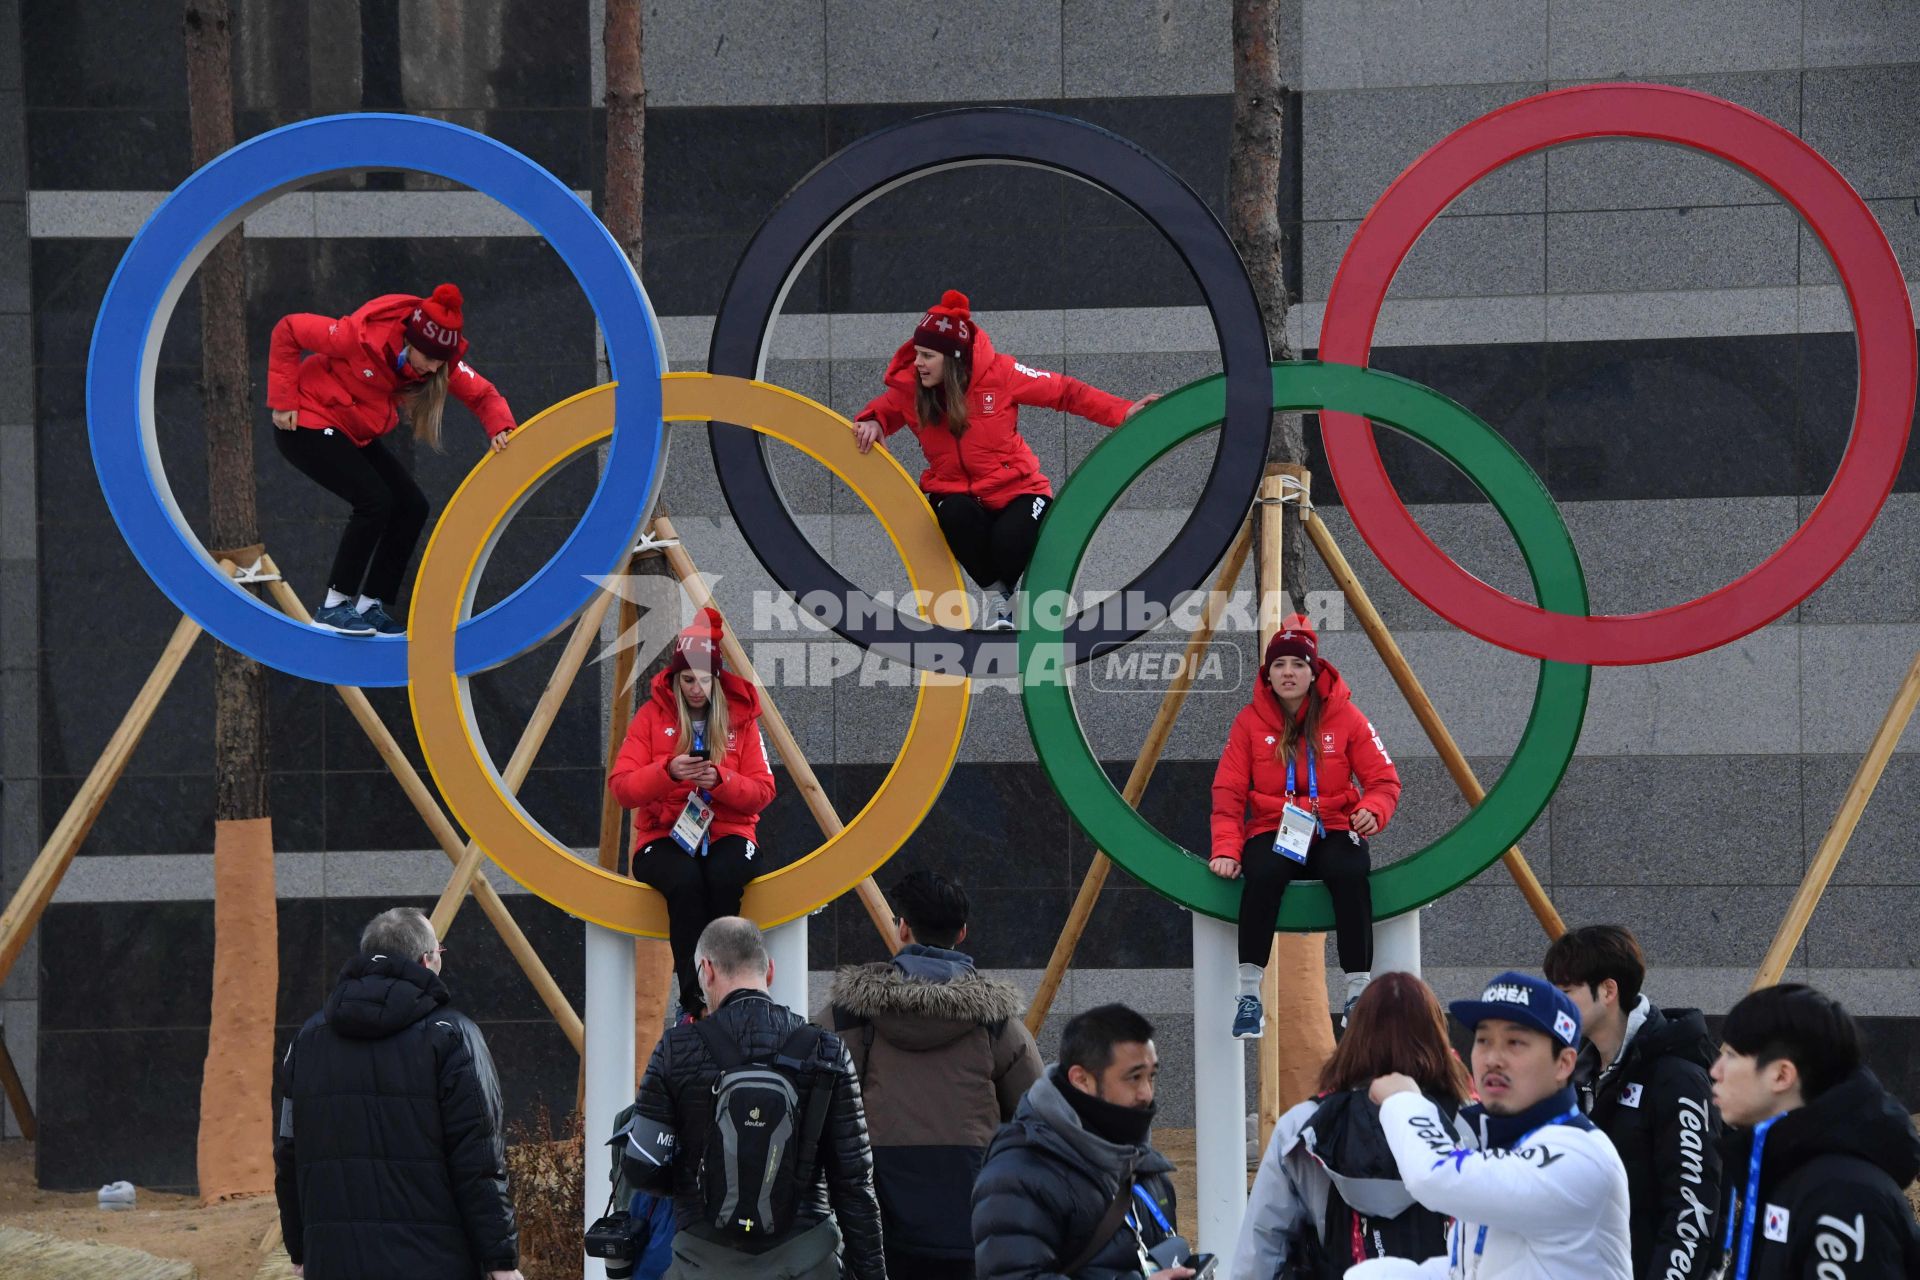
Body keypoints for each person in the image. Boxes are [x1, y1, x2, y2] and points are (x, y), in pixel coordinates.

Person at [850, 289, 1157, 630]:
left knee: (1009, 545)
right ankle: (1001, 601)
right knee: (954, 515)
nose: (917, 363)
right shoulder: (913, 387)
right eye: (917, 354)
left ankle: (1010, 598)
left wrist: (1122, 412)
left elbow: (1065, 391)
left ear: (952, 359)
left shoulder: (1001, 374)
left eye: (927, 355)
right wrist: (873, 420)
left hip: (1019, 489)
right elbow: (886, 408)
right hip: (955, 493)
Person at [620, 917, 885, 1280]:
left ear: (707, 971)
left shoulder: (676, 1049)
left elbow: (642, 1166)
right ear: (770, 970)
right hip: (806, 1256)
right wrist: (872, 1273)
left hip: (703, 1258)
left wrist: (696, 1180)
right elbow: (854, 1182)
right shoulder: (826, 1050)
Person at [272, 907, 521, 1280]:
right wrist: (501, 1261)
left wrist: (300, 1249)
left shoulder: (307, 1040)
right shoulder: (452, 1036)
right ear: (427, 960)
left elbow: (289, 1154)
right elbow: (479, 1159)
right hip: (435, 1262)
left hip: (333, 1261)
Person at [821, 869, 1044, 1280]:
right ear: (962, 933)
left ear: (902, 927)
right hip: (973, 1215)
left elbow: (814, 1102)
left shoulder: (850, 1016)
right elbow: (1038, 1117)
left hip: (875, 1220)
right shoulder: (996, 1023)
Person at [267, 283, 516, 635]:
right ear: (409, 342)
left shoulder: (439, 363)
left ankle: (371, 605)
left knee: (412, 505)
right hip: (305, 422)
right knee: (375, 501)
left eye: (439, 362)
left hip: (351, 431)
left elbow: (483, 394)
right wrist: (283, 400)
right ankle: (333, 606)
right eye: (427, 359)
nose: (432, 369)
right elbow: (289, 329)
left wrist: (500, 426)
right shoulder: (357, 337)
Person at [1353, 970, 1633, 1278]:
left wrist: (1404, 1100)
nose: (1492, 1058)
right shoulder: (1503, 1144)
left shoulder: (1580, 1155)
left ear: (1564, 1063)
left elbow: (1436, 1175)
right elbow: (1477, 1268)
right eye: (1483, 1040)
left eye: (1515, 1042)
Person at [1208, 614, 1401, 1039]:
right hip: (1273, 828)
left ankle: (1356, 993)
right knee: (1263, 875)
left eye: (1298, 664)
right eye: (1279, 665)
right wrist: (1225, 846)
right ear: (1268, 674)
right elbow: (1228, 792)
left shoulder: (1346, 716)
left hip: (1332, 825)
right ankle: (1248, 996)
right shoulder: (1249, 721)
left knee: (1350, 873)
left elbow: (1384, 781)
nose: (1288, 673)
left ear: (1314, 672)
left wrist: (1373, 808)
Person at [1232, 972, 1473, 1278]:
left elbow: (1261, 1247)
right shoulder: (1469, 1124)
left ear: (1356, 1037)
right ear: (1436, 1036)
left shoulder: (1304, 1126)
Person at [609, 607, 776, 1018]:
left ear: (717, 679)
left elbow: (763, 792)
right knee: (684, 882)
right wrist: (667, 772)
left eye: (704, 678)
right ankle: (694, 1000)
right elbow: (622, 788)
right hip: (662, 837)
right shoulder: (651, 717)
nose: (696, 688)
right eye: (687, 679)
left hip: (730, 833)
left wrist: (721, 781)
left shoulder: (741, 721)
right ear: (674, 678)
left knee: (723, 876)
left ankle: (733, 993)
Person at [1543, 924, 1724, 1279]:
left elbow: (1692, 1208)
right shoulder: (1580, 1074)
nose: (1555, 1006)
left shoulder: (1677, 1077)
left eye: (1566, 992)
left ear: (1608, 990)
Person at [1709, 983, 1920, 1278]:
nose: (1715, 1071)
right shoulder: (1786, 1172)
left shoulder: (1844, 1195)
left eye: (1731, 1055)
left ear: (1781, 1075)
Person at [973, 1003, 1195, 1280]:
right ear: (1082, 1079)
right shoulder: (1018, 1174)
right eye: (1134, 1077)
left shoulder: (1143, 1164)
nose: (1146, 1094)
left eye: (1151, 1076)